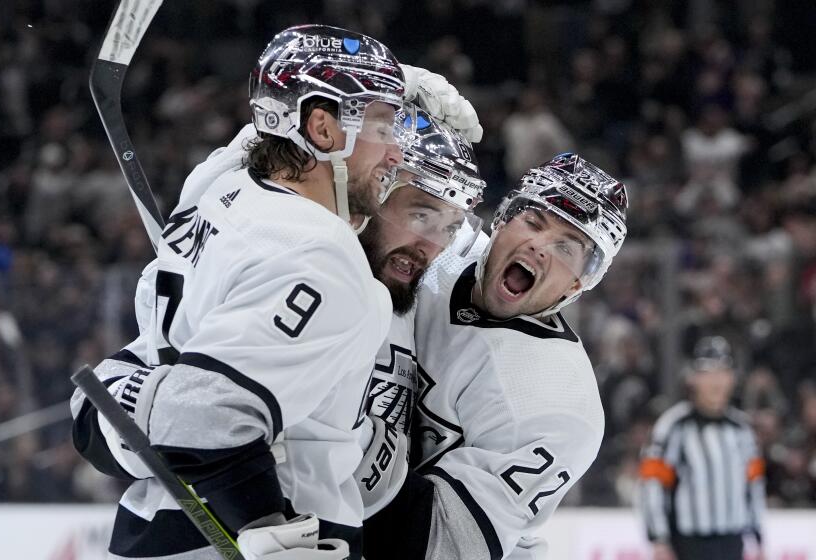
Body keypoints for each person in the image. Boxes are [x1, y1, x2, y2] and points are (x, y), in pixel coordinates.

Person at [71, 25, 406, 560]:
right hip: (256, 531)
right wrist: (267, 525)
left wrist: (115, 403)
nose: (395, 153)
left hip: (153, 529)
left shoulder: (221, 185)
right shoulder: (319, 253)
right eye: (385, 128)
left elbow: (260, 131)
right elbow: (202, 419)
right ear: (323, 128)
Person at [360, 153, 630, 559]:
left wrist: (335, 441)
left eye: (565, 247)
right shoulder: (438, 249)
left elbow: (438, 542)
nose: (538, 246)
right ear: (501, 220)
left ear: (577, 283)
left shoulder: (562, 405)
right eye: (533, 222)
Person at [352, 103, 486, 517]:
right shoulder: (302, 266)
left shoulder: (420, 296)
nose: (432, 248)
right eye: (421, 215)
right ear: (375, 192)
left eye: (447, 228)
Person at [639, 336, 766, 560]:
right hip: (687, 545)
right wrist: (659, 539)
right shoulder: (673, 426)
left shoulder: (742, 429)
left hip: (732, 543)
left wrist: (757, 537)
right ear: (693, 378)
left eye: (723, 371)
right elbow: (653, 485)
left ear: (732, 378)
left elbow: (752, 487)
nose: (716, 381)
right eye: (708, 372)